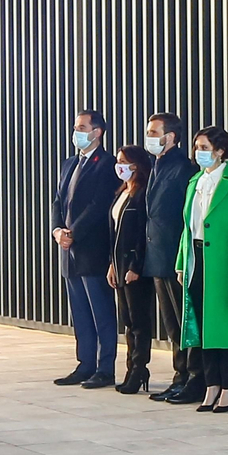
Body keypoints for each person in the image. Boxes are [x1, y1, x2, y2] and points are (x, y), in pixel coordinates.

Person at [175, 125, 228, 413]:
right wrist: (182, 262)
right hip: (197, 258)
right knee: (203, 326)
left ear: (221, 151)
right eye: (197, 147)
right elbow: (188, 226)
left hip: (224, 262)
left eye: (205, 148)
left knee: (225, 329)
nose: (199, 153)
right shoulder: (195, 180)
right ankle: (211, 384)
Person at [50, 109, 120, 389]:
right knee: (79, 312)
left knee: (101, 312)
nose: (76, 132)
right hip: (68, 251)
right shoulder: (69, 163)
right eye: (75, 127)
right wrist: (58, 230)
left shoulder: (107, 164)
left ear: (97, 132)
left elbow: (99, 205)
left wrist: (74, 233)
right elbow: (58, 201)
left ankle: (105, 368)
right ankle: (85, 363)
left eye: (81, 127)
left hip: (92, 249)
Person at [141, 113, 198, 403]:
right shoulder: (157, 165)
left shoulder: (182, 168)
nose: (149, 137)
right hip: (158, 255)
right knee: (171, 324)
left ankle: (192, 377)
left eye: (154, 132)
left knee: (183, 320)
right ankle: (180, 375)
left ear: (171, 137)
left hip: (175, 255)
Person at [107, 144, 156, 394]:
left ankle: (139, 369)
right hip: (119, 264)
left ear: (136, 165)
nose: (119, 166)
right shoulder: (122, 192)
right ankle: (130, 367)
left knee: (139, 320)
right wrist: (112, 265)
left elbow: (141, 233)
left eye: (123, 161)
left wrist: (135, 265)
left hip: (135, 267)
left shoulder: (142, 193)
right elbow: (115, 233)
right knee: (127, 320)